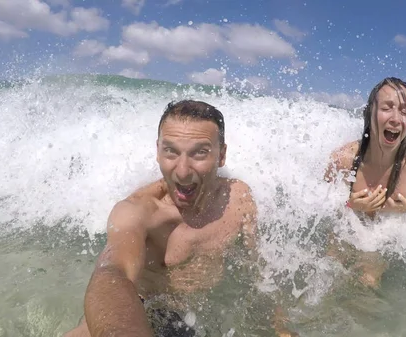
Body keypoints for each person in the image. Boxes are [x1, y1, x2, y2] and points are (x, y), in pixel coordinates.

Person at [64, 100, 295, 337]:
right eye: (171, 151)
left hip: (204, 315)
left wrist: (278, 326)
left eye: (200, 153)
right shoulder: (138, 211)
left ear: (222, 155)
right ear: (158, 151)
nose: (182, 171)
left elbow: (256, 271)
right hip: (143, 313)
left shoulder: (239, 198)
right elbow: (112, 273)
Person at [323, 77, 406, 288]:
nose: (395, 118)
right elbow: (315, 209)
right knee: (328, 277)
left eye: (404, 111)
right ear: (370, 112)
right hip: (346, 232)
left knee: (368, 283)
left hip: (384, 240)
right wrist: (350, 206)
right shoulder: (343, 160)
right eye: (387, 108)